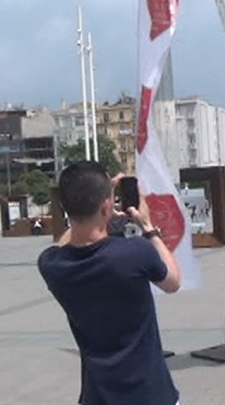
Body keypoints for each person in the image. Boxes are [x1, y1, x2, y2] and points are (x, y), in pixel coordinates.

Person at [37, 161, 182, 405]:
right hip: (151, 395)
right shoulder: (135, 253)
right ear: (107, 205)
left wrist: (94, 207)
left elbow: (67, 242)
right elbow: (173, 281)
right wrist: (148, 227)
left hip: (97, 397)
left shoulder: (52, 265)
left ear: (63, 206)